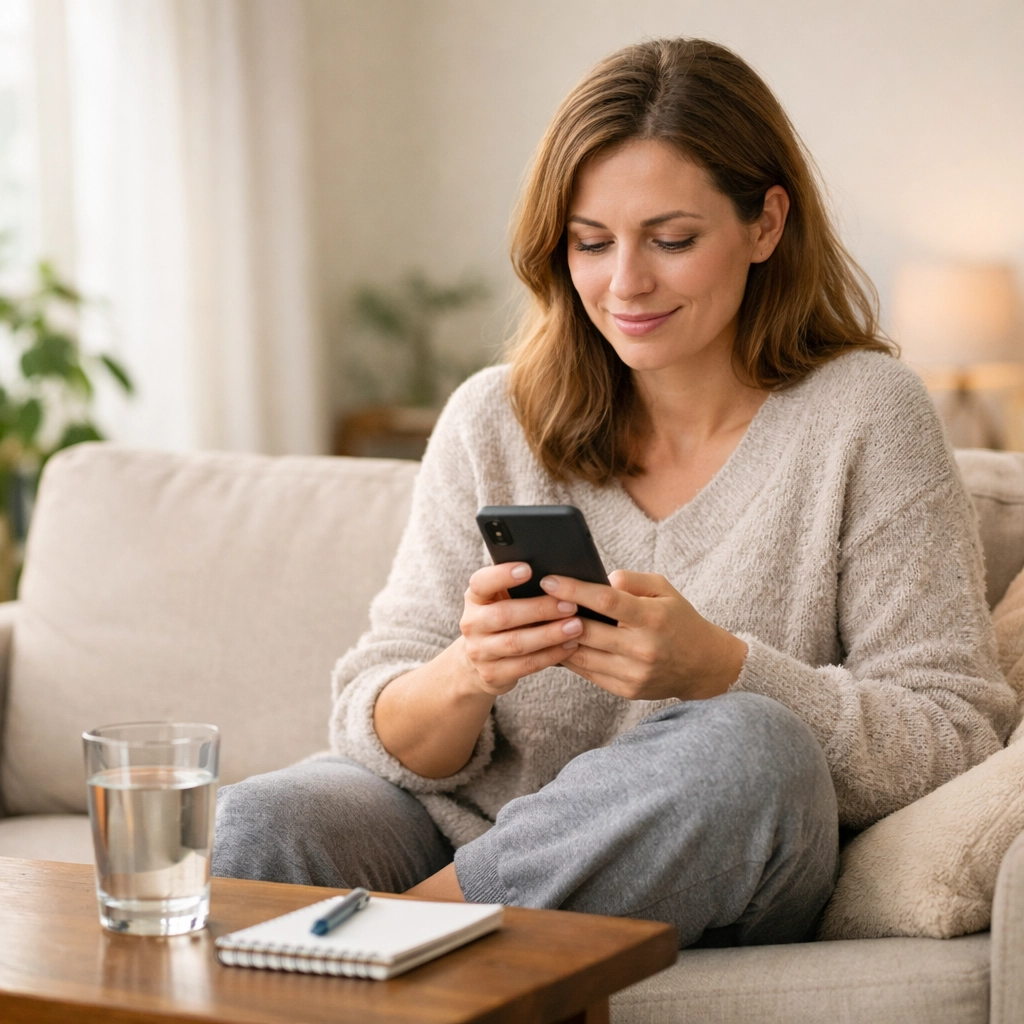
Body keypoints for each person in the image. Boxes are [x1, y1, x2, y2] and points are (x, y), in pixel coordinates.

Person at [213, 38, 1016, 947]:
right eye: (591, 243)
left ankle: (399, 940)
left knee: (746, 749)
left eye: (672, 240)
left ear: (766, 224)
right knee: (268, 818)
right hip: (464, 828)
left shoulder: (866, 414)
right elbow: (377, 718)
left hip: (719, 843)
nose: (625, 283)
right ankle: (417, 948)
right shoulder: (493, 418)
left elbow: (954, 732)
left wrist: (722, 669)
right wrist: (467, 672)